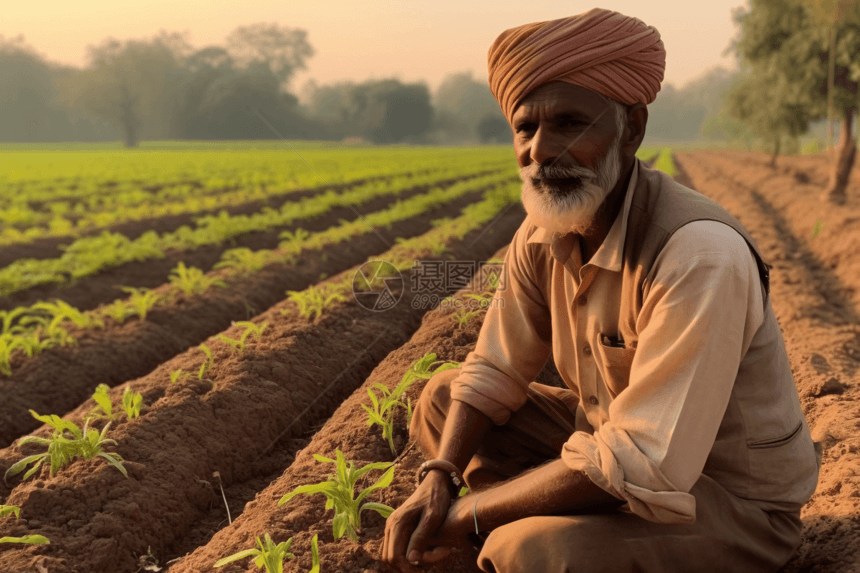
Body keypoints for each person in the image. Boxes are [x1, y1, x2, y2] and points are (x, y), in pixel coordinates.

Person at [381, 7, 821, 573]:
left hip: (725, 501)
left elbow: (644, 463)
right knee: (446, 399)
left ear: (631, 129)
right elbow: (493, 370)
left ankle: (510, 537)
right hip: (617, 451)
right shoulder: (544, 233)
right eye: (526, 128)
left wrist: (467, 513)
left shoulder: (698, 254)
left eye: (569, 124)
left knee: (530, 549)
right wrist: (438, 477)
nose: (540, 149)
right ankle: (511, 530)